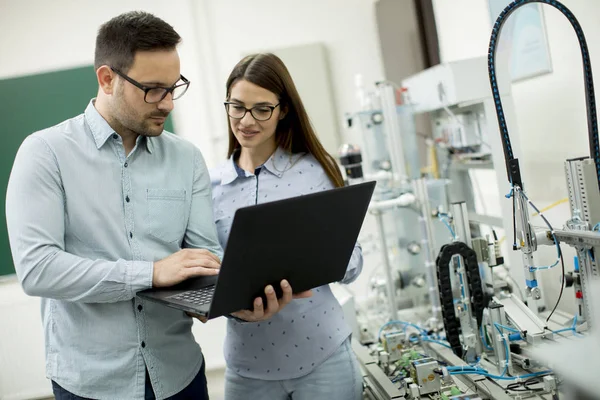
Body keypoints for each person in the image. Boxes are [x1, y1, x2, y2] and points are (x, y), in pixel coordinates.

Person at [5, 11, 300, 400]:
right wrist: (149, 273)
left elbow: (203, 257)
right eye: (152, 89)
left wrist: (234, 302)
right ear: (107, 79)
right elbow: (38, 269)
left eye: (173, 87)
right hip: (91, 385)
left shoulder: (186, 158)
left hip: (180, 376)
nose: (168, 104)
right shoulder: (45, 154)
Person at [210, 53, 364, 400]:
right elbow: (206, 272)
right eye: (237, 106)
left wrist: (321, 257)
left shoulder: (315, 172)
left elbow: (354, 260)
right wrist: (234, 304)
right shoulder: (208, 186)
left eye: (262, 109)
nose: (246, 120)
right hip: (246, 368)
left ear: (283, 110)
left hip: (322, 358)